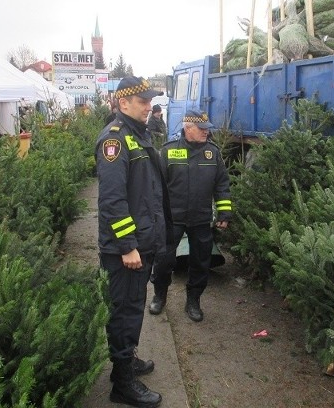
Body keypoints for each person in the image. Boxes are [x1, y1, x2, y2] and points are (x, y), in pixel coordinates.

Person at [95, 75, 171, 407]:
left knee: (133, 307)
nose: (149, 105)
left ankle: (128, 360)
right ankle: (122, 384)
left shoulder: (138, 136)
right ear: (123, 103)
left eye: (150, 100)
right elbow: (112, 201)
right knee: (125, 311)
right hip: (127, 250)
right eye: (142, 101)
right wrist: (127, 245)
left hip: (143, 243)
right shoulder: (115, 141)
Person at [149, 109, 232, 322]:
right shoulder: (168, 152)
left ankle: (193, 301)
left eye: (207, 129)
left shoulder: (212, 153)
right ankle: (159, 295)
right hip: (172, 219)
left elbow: (221, 184)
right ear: (188, 128)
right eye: (202, 129)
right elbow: (156, 186)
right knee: (163, 260)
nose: (206, 132)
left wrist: (224, 212)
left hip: (201, 219)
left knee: (200, 262)